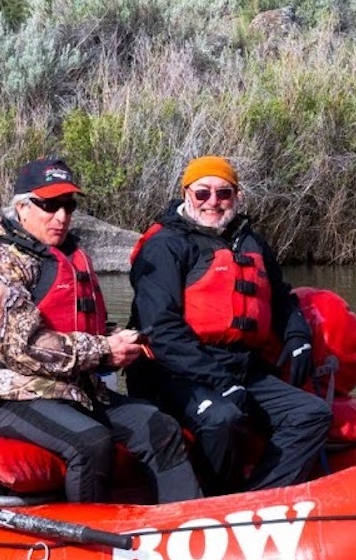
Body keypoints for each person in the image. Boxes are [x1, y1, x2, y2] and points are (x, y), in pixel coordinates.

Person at [0, 157, 202, 504]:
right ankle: (89, 548)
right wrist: (103, 350)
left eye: (68, 205)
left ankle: (186, 524)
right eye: (50, 205)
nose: (61, 216)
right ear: (22, 208)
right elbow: (25, 345)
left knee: (158, 426)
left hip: (75, 389)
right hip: (9, 396)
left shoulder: (66, 255)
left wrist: (120, 340)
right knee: (90, 442)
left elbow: (86, 326)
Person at [128, 156, 330, 493]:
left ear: (237, 196)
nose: (213, 202)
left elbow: (280, 297)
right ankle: (217, 499)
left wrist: (297, 334)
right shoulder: (165, 246)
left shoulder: (252, 242)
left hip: (242, 368)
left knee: (312, 414)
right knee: (222, 418)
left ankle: (258, 500)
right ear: (186, 194)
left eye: (224, 193)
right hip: (175, 372)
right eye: (202, 193)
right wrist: (219, 380)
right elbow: (160, 329)